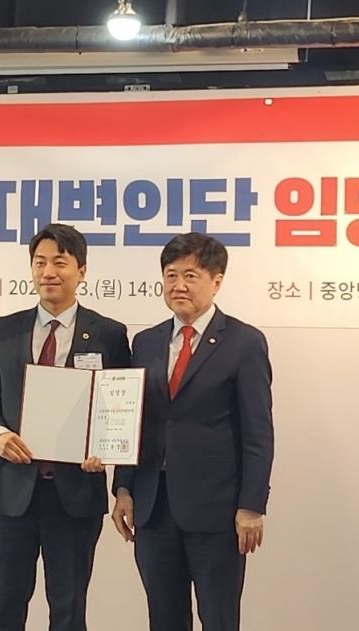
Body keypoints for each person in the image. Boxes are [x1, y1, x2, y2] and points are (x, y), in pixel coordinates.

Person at [112, 232, 274, 631]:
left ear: (217, 281)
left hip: (217, 511)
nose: (178, 285)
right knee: (163, 618)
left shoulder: (244, 342)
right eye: (171, 275)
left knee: (219, 619)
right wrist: (124, 487)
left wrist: (252, 505)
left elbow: (258, 432)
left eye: (190, 275)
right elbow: (134, 419)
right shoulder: (146, 342)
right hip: (154, 507)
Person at [0, 223, 131, 631]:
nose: (48, 272)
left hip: (75, 495)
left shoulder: (109, 334)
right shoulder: (2, 330)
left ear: (82, 271)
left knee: (69, 610)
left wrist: (104, 449)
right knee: (5, 606)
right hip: (12, 493)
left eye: (60, 263)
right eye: (40, 262)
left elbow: (121, 407)